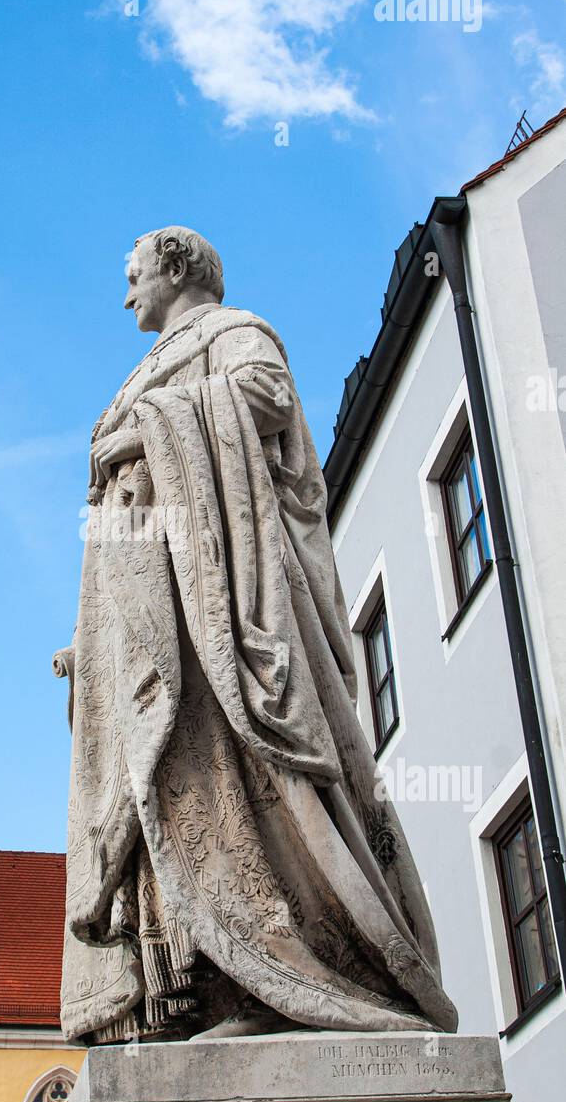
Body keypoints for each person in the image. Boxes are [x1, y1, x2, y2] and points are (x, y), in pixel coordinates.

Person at [55, 226, 458, 1043]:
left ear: (174, 266)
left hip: (224, 622)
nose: (125, 292)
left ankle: (302, 978)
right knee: (175, 794)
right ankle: (218, 991)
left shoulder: (235, 335)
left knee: (248, 792)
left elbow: (265, 399)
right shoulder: (156, 360)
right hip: (157, 626)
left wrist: (145, 431)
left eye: (132, 274)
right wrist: (95, 641)